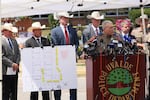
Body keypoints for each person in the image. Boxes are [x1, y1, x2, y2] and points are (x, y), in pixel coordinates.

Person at [51, 12, 79, 100]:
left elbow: (76, 44)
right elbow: (54, 44)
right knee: (58, 83)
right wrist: (62, 53)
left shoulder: (72, 30)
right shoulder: (55, 31)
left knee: (72, 83)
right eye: (64, 18)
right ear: (60, 19)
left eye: (67, 18)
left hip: (70, 61)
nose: (66, 19)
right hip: (59, 62)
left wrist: (72, 52)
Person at [25, 22, 51, 100]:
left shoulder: (46, 40)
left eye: (40, 30)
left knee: (45, 91)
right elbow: (28, 56)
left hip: (45, 69)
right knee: (34, 91)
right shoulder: (28, 42)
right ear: (33, 31)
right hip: (34, 70)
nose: (40, 31)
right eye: (38, 30)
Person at [2, 23, 21, 100]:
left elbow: (18, 53)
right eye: (9, 31)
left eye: (11, 31)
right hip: (6, 70)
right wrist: (11, 64)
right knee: (6, 91)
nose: (10, 33)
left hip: (14, 70)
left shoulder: (14, 41)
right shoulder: (1, 41)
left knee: (14, 91)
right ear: (4, 31)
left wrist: (16, 63)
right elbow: (1, 56)